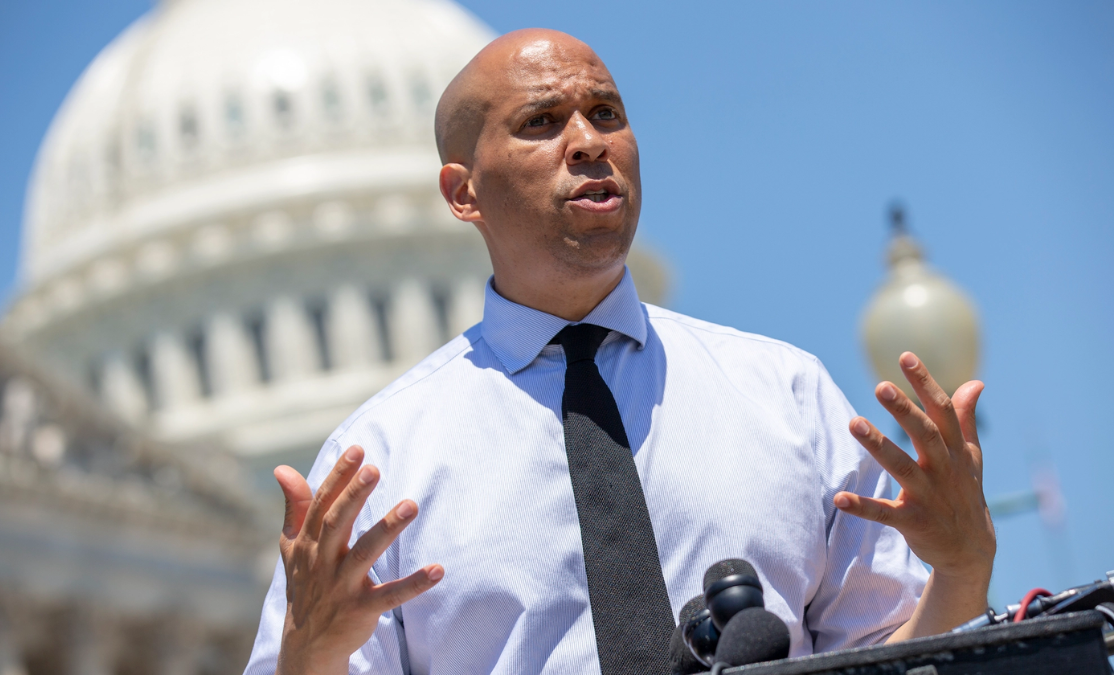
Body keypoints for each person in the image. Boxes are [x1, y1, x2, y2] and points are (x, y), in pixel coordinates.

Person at [244, 28, 995, 675]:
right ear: (462, 191)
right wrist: (308, 659)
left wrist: (961, 569)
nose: (589, 141)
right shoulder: (381, 462)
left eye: (606, 113)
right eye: (542, 121)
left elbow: (892, 657)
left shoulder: (783, 394)